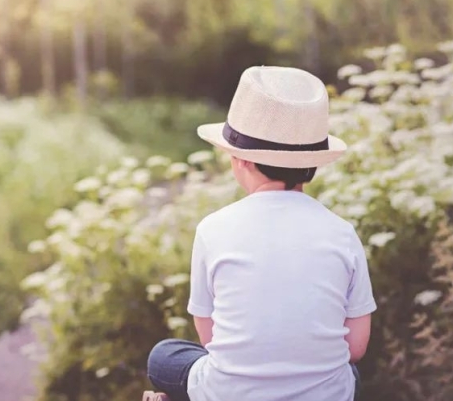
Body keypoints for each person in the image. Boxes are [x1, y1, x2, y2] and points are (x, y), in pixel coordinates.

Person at [146, 66, 376, 401]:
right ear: (312, 165)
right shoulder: (342, 233)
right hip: (324, 394)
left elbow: (210, 341)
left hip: (231, 393)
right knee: (349, 372)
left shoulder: (213, 229)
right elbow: (355, 348)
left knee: (163, 357)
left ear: (240, 160)